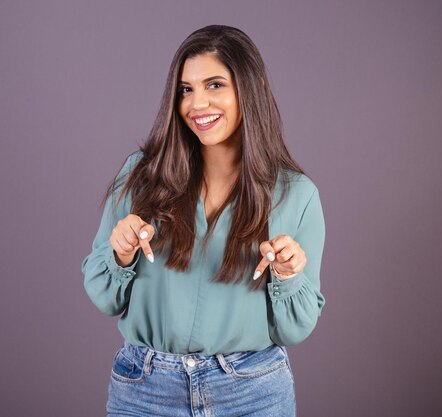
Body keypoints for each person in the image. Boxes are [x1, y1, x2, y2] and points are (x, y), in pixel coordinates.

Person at [82, 24, 325, 417]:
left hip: (251, 393)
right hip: (145, 391)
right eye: (186, 89)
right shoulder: (141, 176)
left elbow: (293, 329)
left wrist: (287, 274)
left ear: (251, 87)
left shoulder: (295, 195)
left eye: (214, 85)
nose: (197, 104)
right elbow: (104, 298)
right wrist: (120, 254)